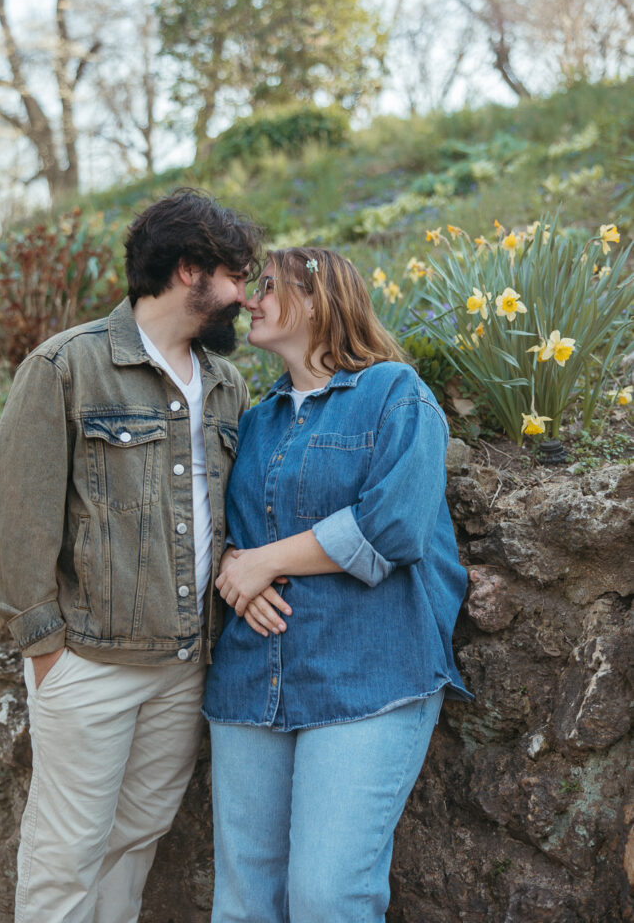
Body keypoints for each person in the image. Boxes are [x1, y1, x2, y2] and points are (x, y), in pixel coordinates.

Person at [0, 188, 262, 923]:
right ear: (190, 270)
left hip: (183, 663)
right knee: (65, 852)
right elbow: (12, 520)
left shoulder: (226, 383)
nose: (243, 297)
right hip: (89, 662)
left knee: (135, 839)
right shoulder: (68, 365)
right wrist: (45, 649)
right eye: (235, 276)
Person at [202, 247, 473, 923]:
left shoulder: (394, 394)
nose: (248, 299)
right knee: (242, 905)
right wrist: (234, 563)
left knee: (328, 898)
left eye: (267, 287)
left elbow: (393, 526)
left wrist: (261, 563)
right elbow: (223, 531)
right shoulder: (257, 419)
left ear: (320, 301)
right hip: (251, 684)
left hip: (369, 679)